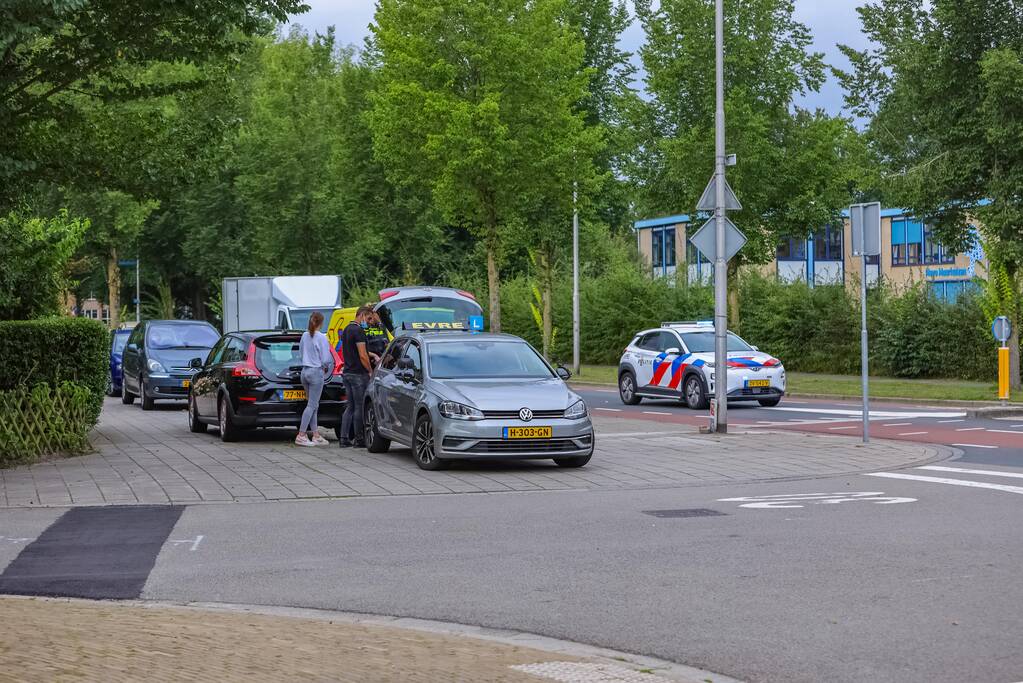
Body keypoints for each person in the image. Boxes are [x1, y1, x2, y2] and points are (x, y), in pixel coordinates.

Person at [339, 304, 376, 448]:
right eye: (369, 318)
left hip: (347, 373)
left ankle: (343, 438)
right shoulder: (358, 331)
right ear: (362, 315)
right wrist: (370, 371)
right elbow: (362, 355)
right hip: (358, 374)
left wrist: (372, 354)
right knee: (359, 407)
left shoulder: (347, 329)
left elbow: (353, 350)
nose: (370, 322)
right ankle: (359, 439)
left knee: (350, 407)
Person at [296, 311, 332, 447]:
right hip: (316, 372)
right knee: (312, 405)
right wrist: (325, 367)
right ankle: (301, 435)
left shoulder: (304, 335)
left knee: (313, 404)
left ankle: (316, 435)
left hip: (304, 371)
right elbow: (326, 358)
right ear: (321, 323)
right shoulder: (322, 337)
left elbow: (300, 353)